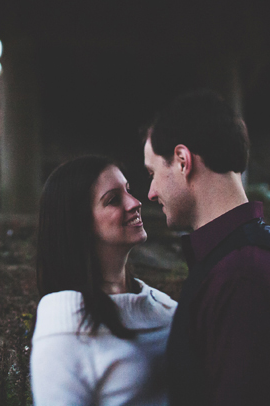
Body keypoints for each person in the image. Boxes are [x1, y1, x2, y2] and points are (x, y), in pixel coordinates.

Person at [143, 90, 270, 406]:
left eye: (153, 173)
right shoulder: (243, 259)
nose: (150, 192)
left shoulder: (245, 275)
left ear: (183, 161)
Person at [31, 155, 177, 406]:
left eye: (128, 191)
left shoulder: (165, 307)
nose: (135, 203)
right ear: (80, 224)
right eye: (113, 200)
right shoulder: (64, 329)